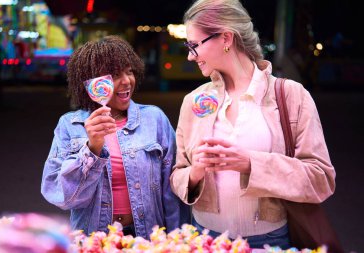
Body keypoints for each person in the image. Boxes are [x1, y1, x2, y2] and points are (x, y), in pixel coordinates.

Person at [170, 0, 336, 249]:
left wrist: (251, 163)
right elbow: (177, 174)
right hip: (204, 238)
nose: (189, 56)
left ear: (226, 38)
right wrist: (195, 173)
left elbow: (320, 179)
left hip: (269, 240)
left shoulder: (291, 95)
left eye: (193, 46)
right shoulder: (194, 101)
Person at [41, 35, 190, 239]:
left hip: (147, 238)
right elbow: (61, 196)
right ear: (91, 84)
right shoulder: (70, 125)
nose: (127, 80)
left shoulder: (154, 119)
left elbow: (171, 191)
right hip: (94, 239)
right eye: (114, 75)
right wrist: (92, 149)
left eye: (129, 72)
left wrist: (177, 238)